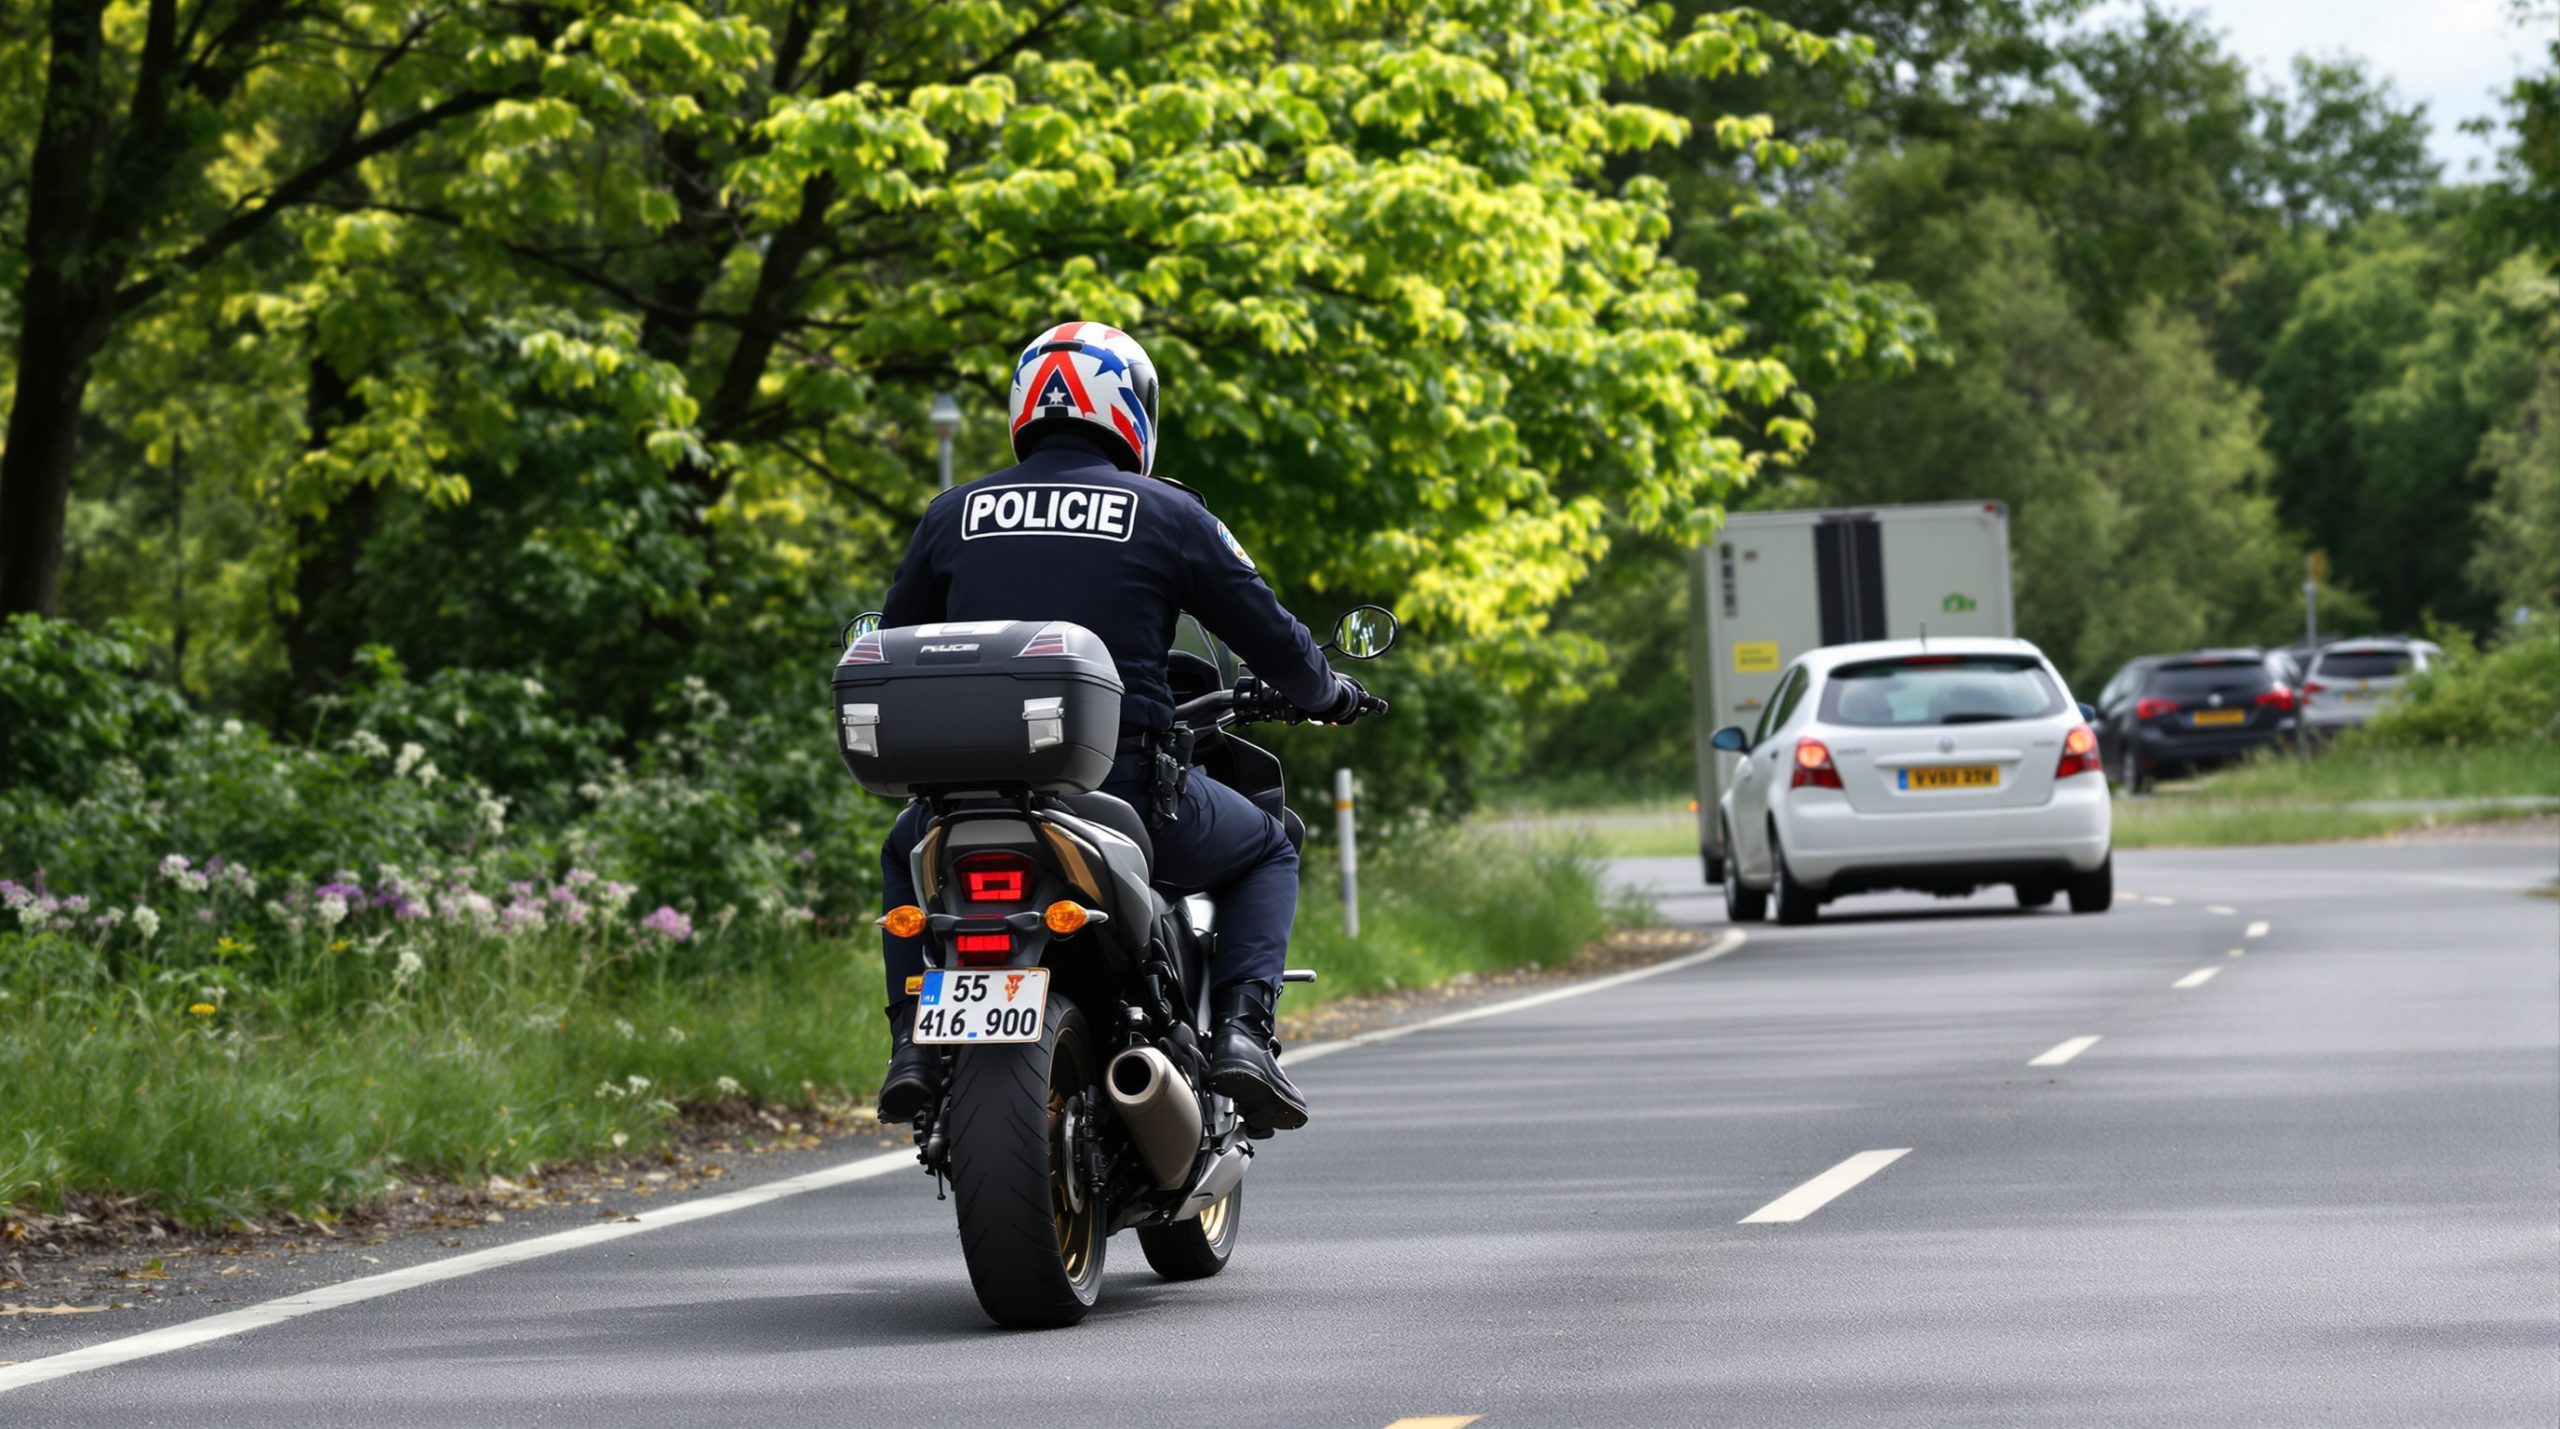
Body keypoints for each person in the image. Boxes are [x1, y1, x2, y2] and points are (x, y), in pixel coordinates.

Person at [871, 321, 1378, 1137]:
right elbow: (1275, 636)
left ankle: (913, 1049)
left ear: (1025, 407)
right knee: (1268, 845)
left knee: (901, 848)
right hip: (1129, 802)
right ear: (1129, 410)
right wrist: (1328, 692)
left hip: (963, 810)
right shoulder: (1167, 512)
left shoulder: (953, 513)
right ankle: (1245, 1035)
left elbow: (899, 644)